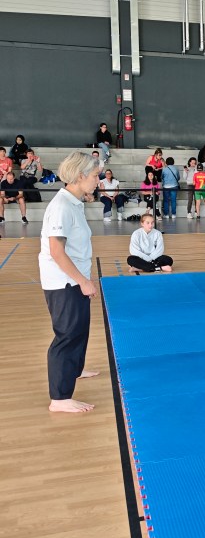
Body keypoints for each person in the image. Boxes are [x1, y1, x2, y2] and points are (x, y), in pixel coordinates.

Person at [38, 150, 101, 414]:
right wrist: (82, 281)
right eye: (95, 175)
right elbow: (56, 251)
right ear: (80, 175)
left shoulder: (75, 202)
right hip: (63, 282)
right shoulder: (61, 206)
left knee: (79, 329)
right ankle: (60, 398)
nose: (98, 180)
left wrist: (83, 279)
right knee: (67, 335)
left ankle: (74, 369)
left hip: (74, 279)